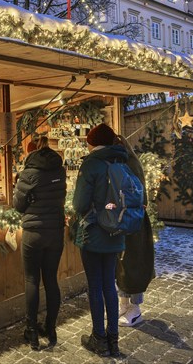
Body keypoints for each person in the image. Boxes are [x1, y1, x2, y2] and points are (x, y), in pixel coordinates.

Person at [72, 123, 125, 357]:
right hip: (115, 231)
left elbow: (79, 204)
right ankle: (113, 338)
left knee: (95, 287)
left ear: (91, 142)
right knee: (109, 285)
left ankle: (99, 338)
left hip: (93, 233)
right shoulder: (122, 160)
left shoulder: (91, 163)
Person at [13, 136, 67, 350]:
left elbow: (18, 204)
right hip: (55, 231)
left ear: (31, 153)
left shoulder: (28, 173)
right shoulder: (59, 170)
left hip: (33, 232)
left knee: (32, 280)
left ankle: (31, 331)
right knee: (51, 279)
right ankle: (51, 327)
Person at [114, 135, 155, 327]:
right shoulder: (126, 163)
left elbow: (138, 197)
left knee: (134, 264)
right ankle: (123, 304)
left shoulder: (128, 165)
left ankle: (135, 308)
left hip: (133, 221)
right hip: (127, 220)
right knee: (122, 265)